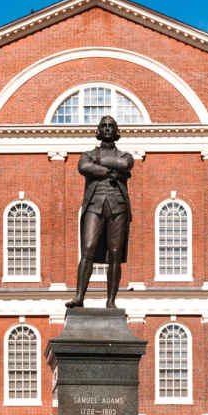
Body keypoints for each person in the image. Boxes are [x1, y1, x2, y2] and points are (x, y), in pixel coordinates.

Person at [66, 115, 134, 309]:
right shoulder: (88, 154)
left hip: (118, 205)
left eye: (110, 126)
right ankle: (79, 297)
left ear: (116, 131)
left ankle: (111, 301)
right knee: (87, 248)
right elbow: (83, 166)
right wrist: (110, 172)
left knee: (114, 253)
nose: (106, 129)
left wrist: (100, 164)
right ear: (98, 131)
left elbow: (126, 165)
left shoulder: (124, 155)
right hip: (95, 205)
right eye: (103, 126)